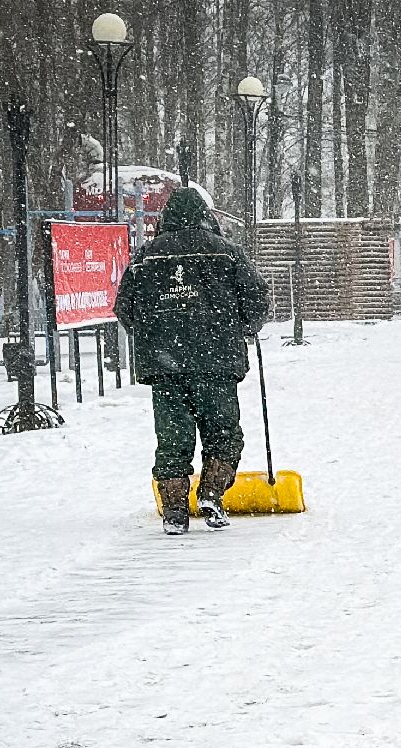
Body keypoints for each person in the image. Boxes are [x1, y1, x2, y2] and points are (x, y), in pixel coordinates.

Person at [115, 187, 269, 535]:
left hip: (165, 365)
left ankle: (174, 512)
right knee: (222, 432)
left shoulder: (146, 257)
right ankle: (212, 494)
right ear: (205, 215)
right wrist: (244, 327)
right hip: (217, 361)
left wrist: (153, 335)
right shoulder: (227, 253)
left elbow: (125, 306)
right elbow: (257, 296)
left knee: (172, 439)